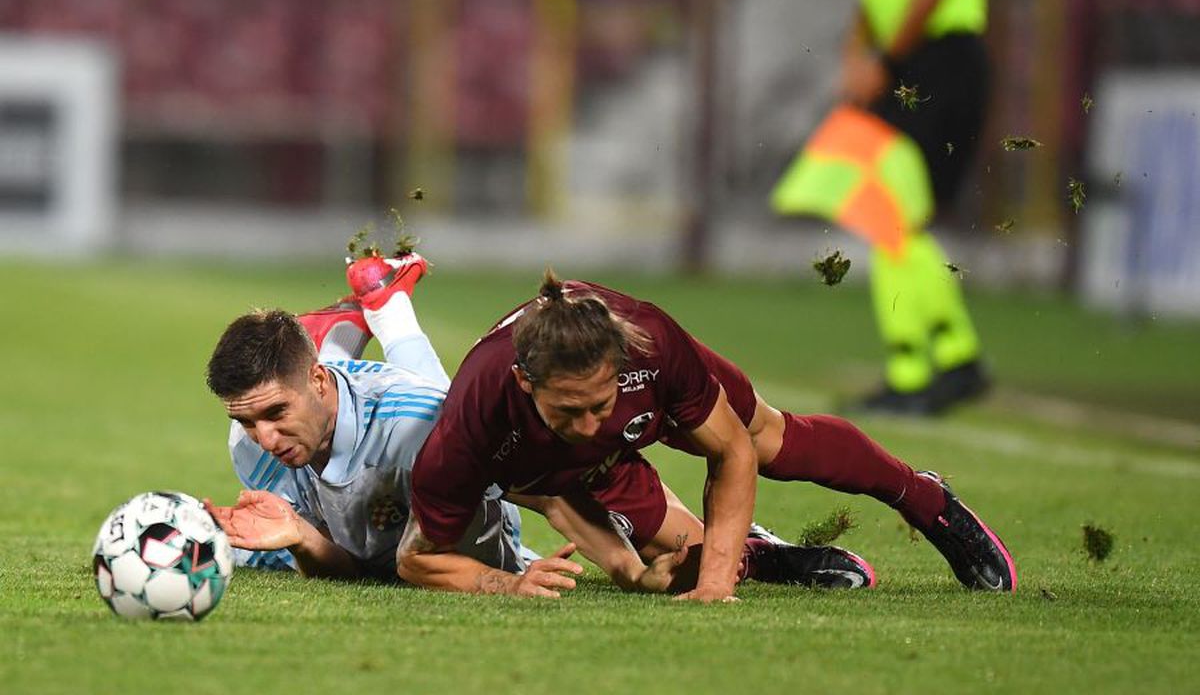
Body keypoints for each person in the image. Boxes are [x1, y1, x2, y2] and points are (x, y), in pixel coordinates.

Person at [205, 253, 876, 595]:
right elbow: (361, 569)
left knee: (442, 417)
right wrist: (289, 538)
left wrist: (618, 565)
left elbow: (549, 494)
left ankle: (764, 552)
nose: (264, 436)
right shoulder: (253, 448)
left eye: (274, 414)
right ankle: (383, 306)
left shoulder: (430, 425)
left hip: (480, 466)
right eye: (252, 420)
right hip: (409, 457)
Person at [398, 272, 1017, 601]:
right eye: (570, 412)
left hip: (649, 411)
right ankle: (759, 552)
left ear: (620, 369)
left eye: (602, 404)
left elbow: (732, 450)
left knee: (772, 441)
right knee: (683, 555)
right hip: (570, 476)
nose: (592, 425)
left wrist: (716, 586)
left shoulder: (653, 343)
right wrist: (514, 584)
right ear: (524, 383)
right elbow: (417, 558)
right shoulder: (473, 421)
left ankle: (926, 500)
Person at [771, 0, 990, 414]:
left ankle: (922, 371)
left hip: (937, 62)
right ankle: (952, 362)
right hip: (924, 62)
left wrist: (884, 61)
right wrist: (857, 49)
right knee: (895, 217)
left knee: (892, 215)